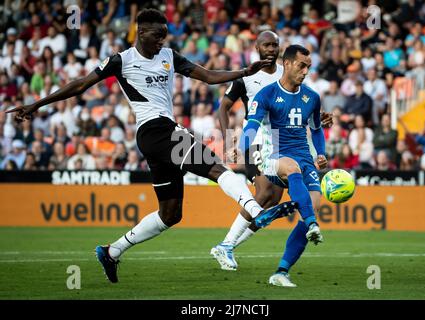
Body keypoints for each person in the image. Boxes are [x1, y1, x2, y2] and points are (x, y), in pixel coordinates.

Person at [5, 8, 297, 283]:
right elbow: (80, 84)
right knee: (215, 166)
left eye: (164, 36)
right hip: (154, 129)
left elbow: (208, 77)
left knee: (171, 214)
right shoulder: (122, 60)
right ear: (141, 32)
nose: (161, 42)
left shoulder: (169, 55)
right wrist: (36, 104)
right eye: (157, 36)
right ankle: (255, 211)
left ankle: (111, 251)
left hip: (158, 137)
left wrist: (245, 71)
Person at [211, 32, 333, 272]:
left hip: (284, 142)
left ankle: (227, 245)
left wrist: (318, 119)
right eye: (266, 44)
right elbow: (223, 107)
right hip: (257, 139)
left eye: (274, 44)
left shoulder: (288, 72)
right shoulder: (246, 75)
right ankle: (226, 244)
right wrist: (229, 140)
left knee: (272, 198)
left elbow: (299, 108)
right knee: (266, 192)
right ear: (257, 47)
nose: (270, 48)